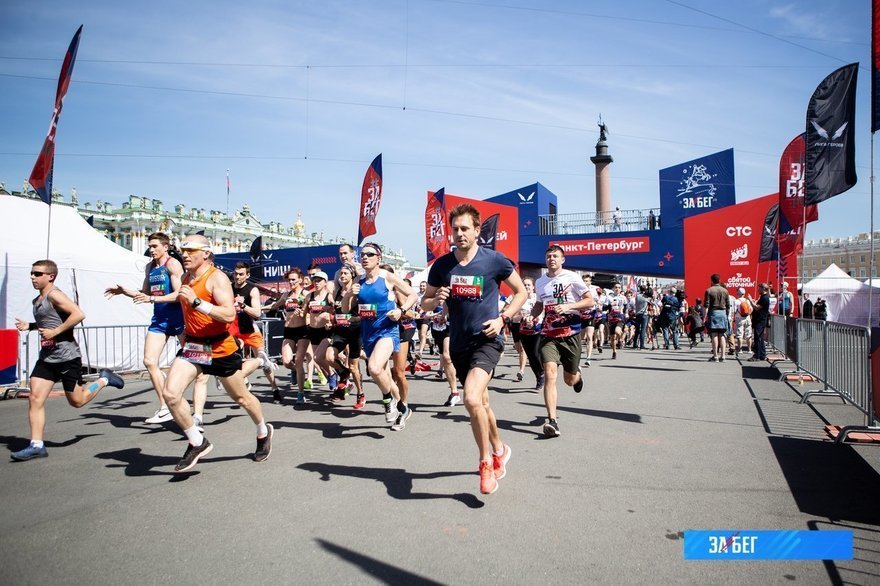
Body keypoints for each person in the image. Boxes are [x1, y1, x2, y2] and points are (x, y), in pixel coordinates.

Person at [421, 203, 527, 494]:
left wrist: (503, 318)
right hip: (459, 344)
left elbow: (521, 292)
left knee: (470, 399)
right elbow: (425, 303)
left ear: (477, 231)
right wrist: (436, 298)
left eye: (465, 228)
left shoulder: (494, 260)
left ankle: (485, 464)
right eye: (455, 229)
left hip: (487, 341)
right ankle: (499, 448)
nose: (459, 234)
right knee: (483, 404)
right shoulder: (442, 266)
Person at [160, 235, 273, 472]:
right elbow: (181, 300)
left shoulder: (217, 279)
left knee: (241, 398)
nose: (185, 254)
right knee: (170, 394)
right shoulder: (185, 277)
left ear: (206, 254)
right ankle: (197, 442)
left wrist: (198, 303)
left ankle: (263, 431)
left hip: (220, 347)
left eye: (191, 250)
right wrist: (145, 297)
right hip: (194, 347)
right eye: (183, 250)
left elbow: (229, 315)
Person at [12, 260, 125, 461]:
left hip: (67, 357)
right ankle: (37, 445)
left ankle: (104, 379)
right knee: (35, 397)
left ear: (51, 276)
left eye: (37, 274)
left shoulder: (55, 295)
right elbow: (48, 323)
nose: (33, 277)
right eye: (31, 273)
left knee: (77, 401)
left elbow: (78, 314)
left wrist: (55, 332)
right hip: (47, 358)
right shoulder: (37, 300)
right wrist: (29, 326)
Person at [104, 232, 184, 424]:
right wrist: (125, 292)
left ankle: (195, 411)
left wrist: (153, 298)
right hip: (159, 320)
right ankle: (165, 406)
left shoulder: (172, 264)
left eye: (155, 246)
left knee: (199, 364)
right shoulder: (150, 267)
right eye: (150, 246)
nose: (151, 249)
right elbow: (145, 293)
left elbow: (180, 295)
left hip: (179, 317)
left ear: (166, 247)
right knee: (149, 361)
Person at [532, 245, 593, 438]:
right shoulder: (540, 282)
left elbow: (589, 301)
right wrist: (532, 315)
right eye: (549, 256)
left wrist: (569, 306)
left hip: (571, 334)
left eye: (555, 256)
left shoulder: (572, 278)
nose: (551, 259)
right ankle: (552, 421)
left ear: (562, 260)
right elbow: (539, 304)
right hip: (549, 334)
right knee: (550, 374)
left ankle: (577, 375)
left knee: (569, 380)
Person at [355, 243, 417, 429]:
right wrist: (348, 295)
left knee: (374, 368)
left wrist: (401, 310)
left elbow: (413, 295)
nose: (365, 257)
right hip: (369, 333)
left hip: (388, 331)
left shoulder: (387, 277)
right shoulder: (359, 281)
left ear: (378, 258)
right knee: (386, 377)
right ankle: (402, 407)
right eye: (362, 254)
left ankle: (387, 400)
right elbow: (344, 308)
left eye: (369, 254)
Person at [230, 261, 279, 395]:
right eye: (235, 274)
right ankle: (244, 380)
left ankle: (274, 388)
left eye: (241, 274)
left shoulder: (252, 289)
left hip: (249, 329)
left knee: (263, 360)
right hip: (233, 329)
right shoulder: (228, 288)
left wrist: (243, 306)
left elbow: (257, 313)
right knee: (229, 358)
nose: (237, 277)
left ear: (247, 275)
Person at [262, 268, 308, 402]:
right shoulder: (286, 295)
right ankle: (294, 370)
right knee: (287, 362)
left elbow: (313, 312)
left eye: (294, 279)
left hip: (303, 330)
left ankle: (300, 394)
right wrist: (256, 309)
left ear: (300, 280)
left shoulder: (306, 294)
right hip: (289, 330)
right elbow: (273, 306)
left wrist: (304, 313)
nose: (291, 282)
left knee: (299, 361)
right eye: (289, 280)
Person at [327, 263, 364, 406]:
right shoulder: (336, 292)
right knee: (329, 356)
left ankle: (360, 393)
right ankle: (343, 373)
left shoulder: (357, 292)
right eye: (341, 274)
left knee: (354, 366)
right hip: (340, 331)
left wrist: (349, 318)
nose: (342, 276)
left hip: (355, 331)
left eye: (345, 274)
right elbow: (335, 310)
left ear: (352, 277)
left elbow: (360, 314)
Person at [703, 273, 730, 362]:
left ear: (712, 280)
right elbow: (728, 305)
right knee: (722, 335)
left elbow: (706, 306)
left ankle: (715, 356)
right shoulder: (725, 291)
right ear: (719, 280)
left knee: (714, 334)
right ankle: (723, 356)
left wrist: (704, 317)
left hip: (713, 313)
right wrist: (727, 315)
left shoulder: (709, 290)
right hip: (723, 313)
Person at [748, 283, 771, 361]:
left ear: (763, 289)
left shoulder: (764, 298)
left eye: (759, 288)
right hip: (759, 320)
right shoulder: (763, 297)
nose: (758, 289)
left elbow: (757, 308)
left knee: (758, 338)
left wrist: (750, 300)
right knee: (759, 337)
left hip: (760, 320)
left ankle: (757, 355)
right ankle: (762, 354)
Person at [733, 287, 753, 356]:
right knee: (749, 334)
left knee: (739, 335)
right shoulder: (747, 301)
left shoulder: (736, 301)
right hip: (747, 318)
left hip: (739, 319)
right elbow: (751, 310)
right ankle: (749, 349)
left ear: (738, 293)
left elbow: (734, 311)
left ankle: (740, 350)